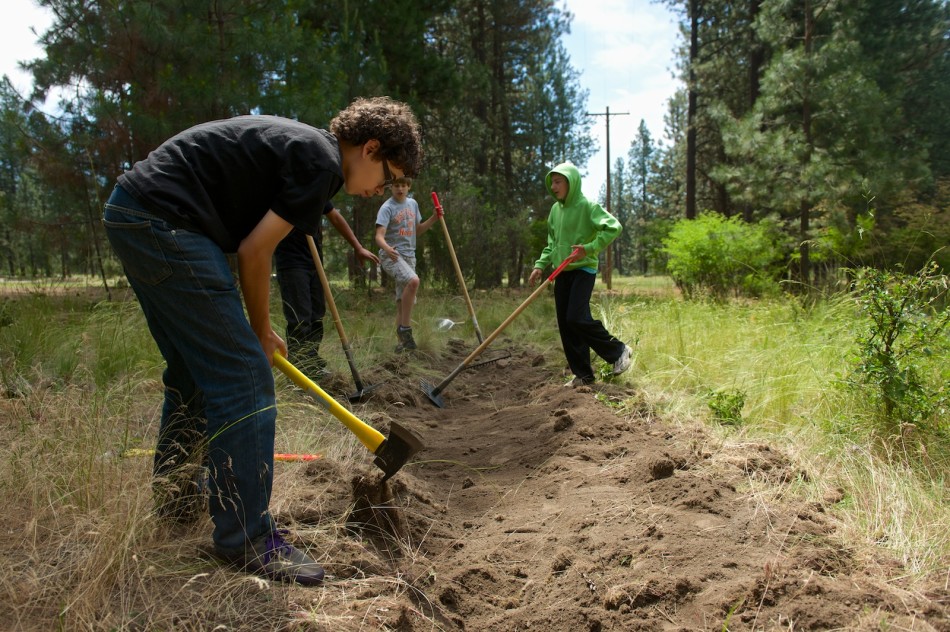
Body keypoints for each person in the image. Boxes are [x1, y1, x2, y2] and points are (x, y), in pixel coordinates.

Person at [102, 97, 422, 585]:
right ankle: (246, 535)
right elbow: (255, 252)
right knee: (245, 376)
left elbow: (255, 240)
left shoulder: (310, 153)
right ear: (369, 146)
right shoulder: (319, 160)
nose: (382, 189)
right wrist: (260, 331)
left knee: (192, 372)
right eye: (388, 176)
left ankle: (177, 501)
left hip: (135, 208)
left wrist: (254, 328)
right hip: (164, 219)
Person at [528, 161, 632, 387]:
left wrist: (589, 248)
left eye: (558, 182)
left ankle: (619, 351)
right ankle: (583, 374)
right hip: (561, 271)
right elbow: (552, 244)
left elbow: (614, 227)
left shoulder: (587, 206)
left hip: (583, 269)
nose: (553, 187)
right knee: (566, 324)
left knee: (576, 317)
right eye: (552, 182)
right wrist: (540, 265)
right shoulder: (555, 211)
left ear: (571, 182)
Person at [274, 202, 379, 375]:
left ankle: (311, 361)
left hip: (314, 261)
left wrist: (358, 247)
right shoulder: (286, 185)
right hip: (291, 262)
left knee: (317, 315)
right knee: (300, 318)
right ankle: (299, 369)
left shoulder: (316, 187)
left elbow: (336, 218)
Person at [374, 176, 438, 351]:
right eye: (396, 185)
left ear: (408, 187)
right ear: (391, 187)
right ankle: (405, 330)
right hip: (392, 256)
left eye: (403, 185)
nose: (399, 189)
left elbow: (416, 230)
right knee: (414, 281)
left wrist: (434, 218)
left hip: (410, 257)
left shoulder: (413, 204)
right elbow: (379, 236)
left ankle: (401, 345)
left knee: (403, 304)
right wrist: (387, 248)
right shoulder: (387, 208)